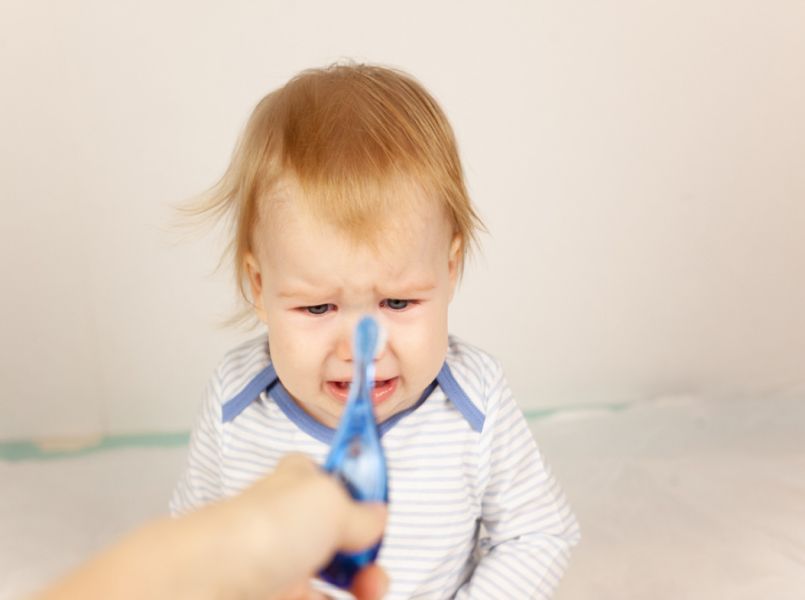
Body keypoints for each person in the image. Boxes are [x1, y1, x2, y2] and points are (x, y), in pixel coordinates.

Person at [172, 63, 580, 598]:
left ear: (449, 269)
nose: (361, 348)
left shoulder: (475, 403)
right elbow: (192, 542)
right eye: (318, 308)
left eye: (398, 301)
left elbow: (540, 533)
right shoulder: (236, 402)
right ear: (259, 285)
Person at [37, 454, 388, 600]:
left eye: (399, 303)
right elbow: (193, 519)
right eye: (316, 308)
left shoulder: (445, 410)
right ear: (258, 297)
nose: (354, 351)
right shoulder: (233, 394)